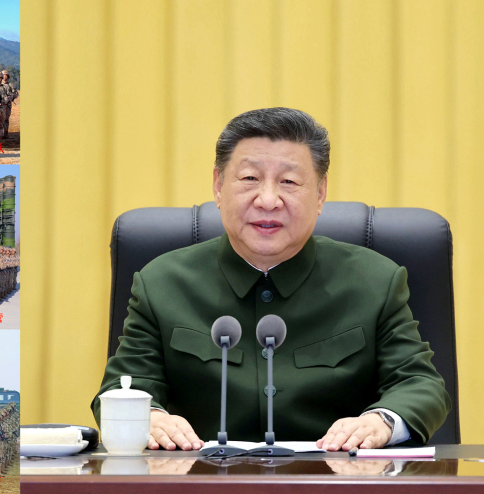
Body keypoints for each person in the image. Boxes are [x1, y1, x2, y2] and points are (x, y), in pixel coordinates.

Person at [92, 107, 450, 452]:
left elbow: (420, 384)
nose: (267, 200)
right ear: (218, 185)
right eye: (250, 178)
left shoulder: (376, 281)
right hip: (202, 479)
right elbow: (124, 385)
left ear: (320, 194)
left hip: (334, 478)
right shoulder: (161, 283)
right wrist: (148, 417)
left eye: (289, 182)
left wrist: (381, 422)